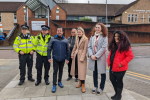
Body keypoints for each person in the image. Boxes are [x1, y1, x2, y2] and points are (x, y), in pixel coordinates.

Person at [107, 30, 133, 100]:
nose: (116, 38)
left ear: (122, 37)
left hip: (120, 67)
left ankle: (118, 96)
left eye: (118, 36)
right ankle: (117, 93)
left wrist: (121, 64)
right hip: (112, 66)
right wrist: (108, 61)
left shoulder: (125, 46)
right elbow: (111, 54)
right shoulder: (113, 44)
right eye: (115, 36)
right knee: (112, 79)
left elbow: (130, 56)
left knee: (119, 81)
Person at [47, 26, 70, 93]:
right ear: (57, 31)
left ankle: (59, 81)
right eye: (58, 31)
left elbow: (68, 50)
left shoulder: (65, 40)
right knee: (55, 71)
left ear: (62, 32)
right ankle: (54, 84)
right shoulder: (53, 39)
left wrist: (67, 58)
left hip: (62, 59)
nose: (59, 32)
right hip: (55, 59)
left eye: (60, 31)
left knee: (61, 71)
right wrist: (49, 57)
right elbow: (49, 49)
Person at [88, 23, 108, 95]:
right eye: (96, 27)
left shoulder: (104, 37)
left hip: (100, 58)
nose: (97, 29)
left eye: (98, 27)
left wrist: (96, 56)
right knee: (95, 72)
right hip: (93, 57)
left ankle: (101, 88)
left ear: (101, 29)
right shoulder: (92, 36)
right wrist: (91, 55)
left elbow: (103, 48)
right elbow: (89, 47)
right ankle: (95, 86)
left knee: (102, 73)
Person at [70, 27, 88, 93]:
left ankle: (83, 85)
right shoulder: (77, 38)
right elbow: (75, 47)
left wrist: (82, 58)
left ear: (83, 32)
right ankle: (80, 83)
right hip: (76, 55)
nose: (79, 33)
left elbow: (85, 49)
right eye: (78, 32)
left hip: (82, 56)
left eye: (80, 32)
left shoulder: (85, 39)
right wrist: (72, 54)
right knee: (77, 70)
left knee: (82, 72)